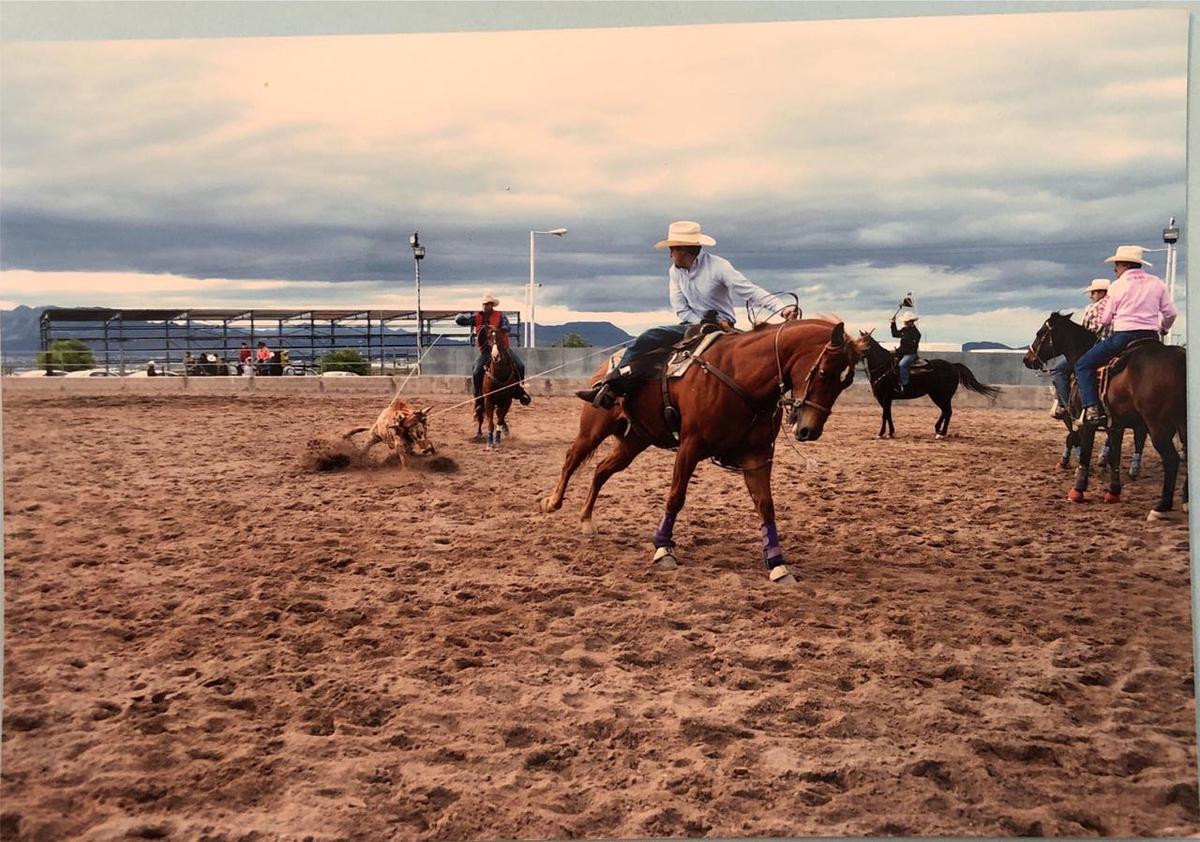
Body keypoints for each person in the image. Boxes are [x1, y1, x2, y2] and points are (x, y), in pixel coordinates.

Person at [576, 220, 798, 409]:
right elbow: (681, 309)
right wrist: (703, 323)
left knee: (757, 358)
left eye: (672, 248)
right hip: (691, 325)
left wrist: (781, 308)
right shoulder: (674, 272)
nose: (670, 253)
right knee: (649, 339)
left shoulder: (719, 267)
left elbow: (749, 290)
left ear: (683, 250)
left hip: (725, 325)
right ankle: (611, 385)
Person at [1076, 245, 1177, 427]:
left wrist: (1104, 322)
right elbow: (1170, 314)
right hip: (1151, 337)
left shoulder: (1118, 285)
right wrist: (1163, 329)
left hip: (1124, 337)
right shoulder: (1157, 283)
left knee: (1083, 365)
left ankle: (1092, 408)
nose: (1115, 269)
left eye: (1116, 265)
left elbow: (1106, 319)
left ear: (1123, 264)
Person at [1049, 279, 1111, 420]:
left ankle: (1067, 407)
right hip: (1113, 344)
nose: (1091, 296)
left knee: (1059, 370)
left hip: (1092, 348)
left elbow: (1084, 331)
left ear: (1102, 292)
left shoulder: (1092, 308)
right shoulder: (1117, 305)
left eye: (1093, 292)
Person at [454, 294, 531, 407]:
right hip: (486, 351)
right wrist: (459, 318)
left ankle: (519, 390)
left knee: (520, 365)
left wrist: (497, 330)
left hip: (502, 348)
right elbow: (465, 322)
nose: (485, 306)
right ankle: (478, 394)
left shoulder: (500, 316)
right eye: (484, 304)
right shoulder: (477, 317)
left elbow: (507, 327)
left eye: (487, 304)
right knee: (477, 371)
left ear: (492, 305)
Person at [890, 311, 921, 394]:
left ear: (912, 322)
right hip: (902, 353)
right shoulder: (904, 330)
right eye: (905, 322)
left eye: (906, 322)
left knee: (902, 365)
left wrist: (899, 351)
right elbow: (895, 334)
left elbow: (911, 347)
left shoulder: (916, 333)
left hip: (911, 354)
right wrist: (893, 323)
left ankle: (905, 386)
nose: (905, 323)